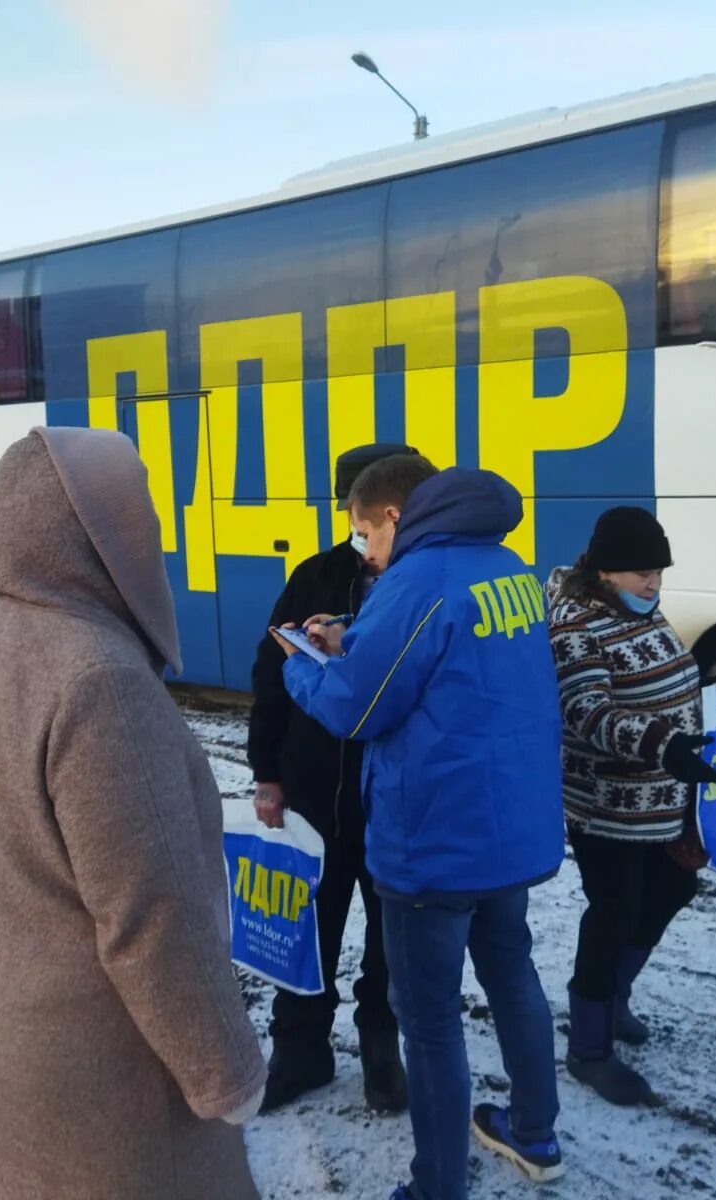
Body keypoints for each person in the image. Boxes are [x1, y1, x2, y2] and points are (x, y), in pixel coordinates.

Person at [0, 428, 266, 1200]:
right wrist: (227, 1074)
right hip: (100, 1063)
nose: (151, 528)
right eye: (137, 509)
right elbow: (153, 916)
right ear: (95, 533)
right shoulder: (101, 680)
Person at [276, 455, 567, 1200]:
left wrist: (301, 667)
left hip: (435, 840)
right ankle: (535, 1133)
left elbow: (356, 712)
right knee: (512, 974)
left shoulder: (416, 580)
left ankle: (437, 1185)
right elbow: (444, 657)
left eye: (364, 535)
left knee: (429, 1021)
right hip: (510, 830)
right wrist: (351, 631)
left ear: (396, 519)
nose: (363, 552)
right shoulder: (505, 566)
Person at [247, 442, 416, 1115]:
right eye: (352, 511)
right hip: (314, 793)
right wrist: (267, 772)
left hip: (392, 803)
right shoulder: (315, 575)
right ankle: (300, 1048)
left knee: (390, 936)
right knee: (305, 924)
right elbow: (272, 673)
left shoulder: (422, 585)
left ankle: (382, 1048)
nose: (359, 528)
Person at [544, 506, 716, 1108]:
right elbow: (585, 713)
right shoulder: (576, 626)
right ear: (605, 571)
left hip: (665, 795)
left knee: (674, 889)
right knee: (614, 913)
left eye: (659, 573)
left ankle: (614, 997)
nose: (653, 585)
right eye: (641, 573)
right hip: (608, 803)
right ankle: (589, 1046)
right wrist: (659, 743)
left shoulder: (635, 608)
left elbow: (667, 675)